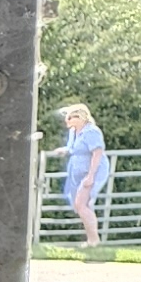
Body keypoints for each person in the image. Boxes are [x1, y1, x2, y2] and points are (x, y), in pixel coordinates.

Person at [60, 101, 114, 256]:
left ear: (81, 117)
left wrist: (91, 176)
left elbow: (97, 153)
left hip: (92, 171)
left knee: (81, 204)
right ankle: (91, 240)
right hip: (78, 171)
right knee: (81, 206)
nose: (68, 121)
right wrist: (64, 151)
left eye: (71, 117)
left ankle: (94, 240)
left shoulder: (91, 132)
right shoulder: (74, 132)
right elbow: (73, 148)